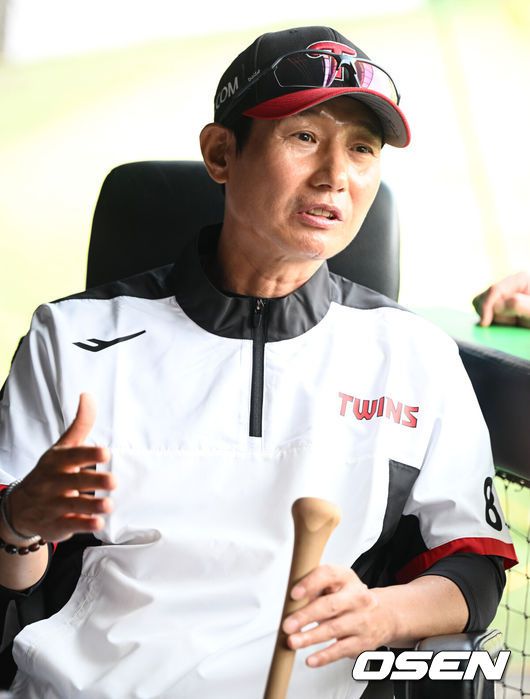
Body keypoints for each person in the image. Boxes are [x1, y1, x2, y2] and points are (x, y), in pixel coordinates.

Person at [0, 26, 517, 699]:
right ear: (221, 153)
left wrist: (381, 613)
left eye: (361, 148)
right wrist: (19, 523)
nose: (335, 175)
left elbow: (473, 569)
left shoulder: (414, 355)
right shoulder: (70, 337)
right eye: (304, 137)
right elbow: (14, 577)